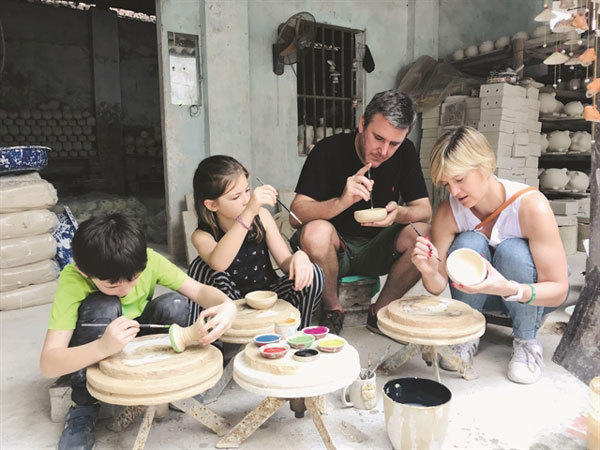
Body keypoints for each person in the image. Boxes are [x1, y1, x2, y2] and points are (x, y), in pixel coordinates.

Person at [40, 213, 237, 450]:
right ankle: (83, 406)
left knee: (173, 304)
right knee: (103, 303)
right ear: (83, 270)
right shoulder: (73, 279)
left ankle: (173, 387)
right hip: (98, 344)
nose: (124, 290)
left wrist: (228, 306)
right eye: (113, 285)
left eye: (133, 280)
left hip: (136, 334)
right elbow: (49, 363)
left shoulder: (148, 261)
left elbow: (200, 291)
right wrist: (102, 347)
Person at [411, 126, 568, 384]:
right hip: (479, 297)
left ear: (485, 165)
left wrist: (511, 288)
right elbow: (438, 286)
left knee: (512, 250)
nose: (454, 192)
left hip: (527, 296)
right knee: (468, 241)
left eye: (459, 180)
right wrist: (428, 269)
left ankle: (527, 341)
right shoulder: (448, 212)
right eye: (446, 184)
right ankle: (466, 336)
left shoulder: (530, 205)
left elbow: (559, 291)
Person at [289, 89, 432, 335]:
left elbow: (424, 210)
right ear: (362, 123)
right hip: (335, 249)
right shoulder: (328, 150)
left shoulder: (405, 152)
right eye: (378, 138)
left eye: (394, 143)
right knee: (315, 232)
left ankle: (381, 312)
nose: (384, 150)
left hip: (378, 247)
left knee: (424, 235)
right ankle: (332, 309)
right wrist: (342, 202)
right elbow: (295, 216)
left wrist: (398, 214)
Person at [188, 155, 324, 329]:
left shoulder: (262, 217)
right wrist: (248, 213)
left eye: (247, 190)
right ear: (212, 205)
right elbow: (219, 263)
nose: (246, 199)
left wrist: (300, 257)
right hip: (230, 304)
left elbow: (284, 262)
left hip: (268, 295)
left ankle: (296, 334)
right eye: (236, 197)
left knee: (314, 272)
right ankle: (207, 342)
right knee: (201, 267)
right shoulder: (202, 235)